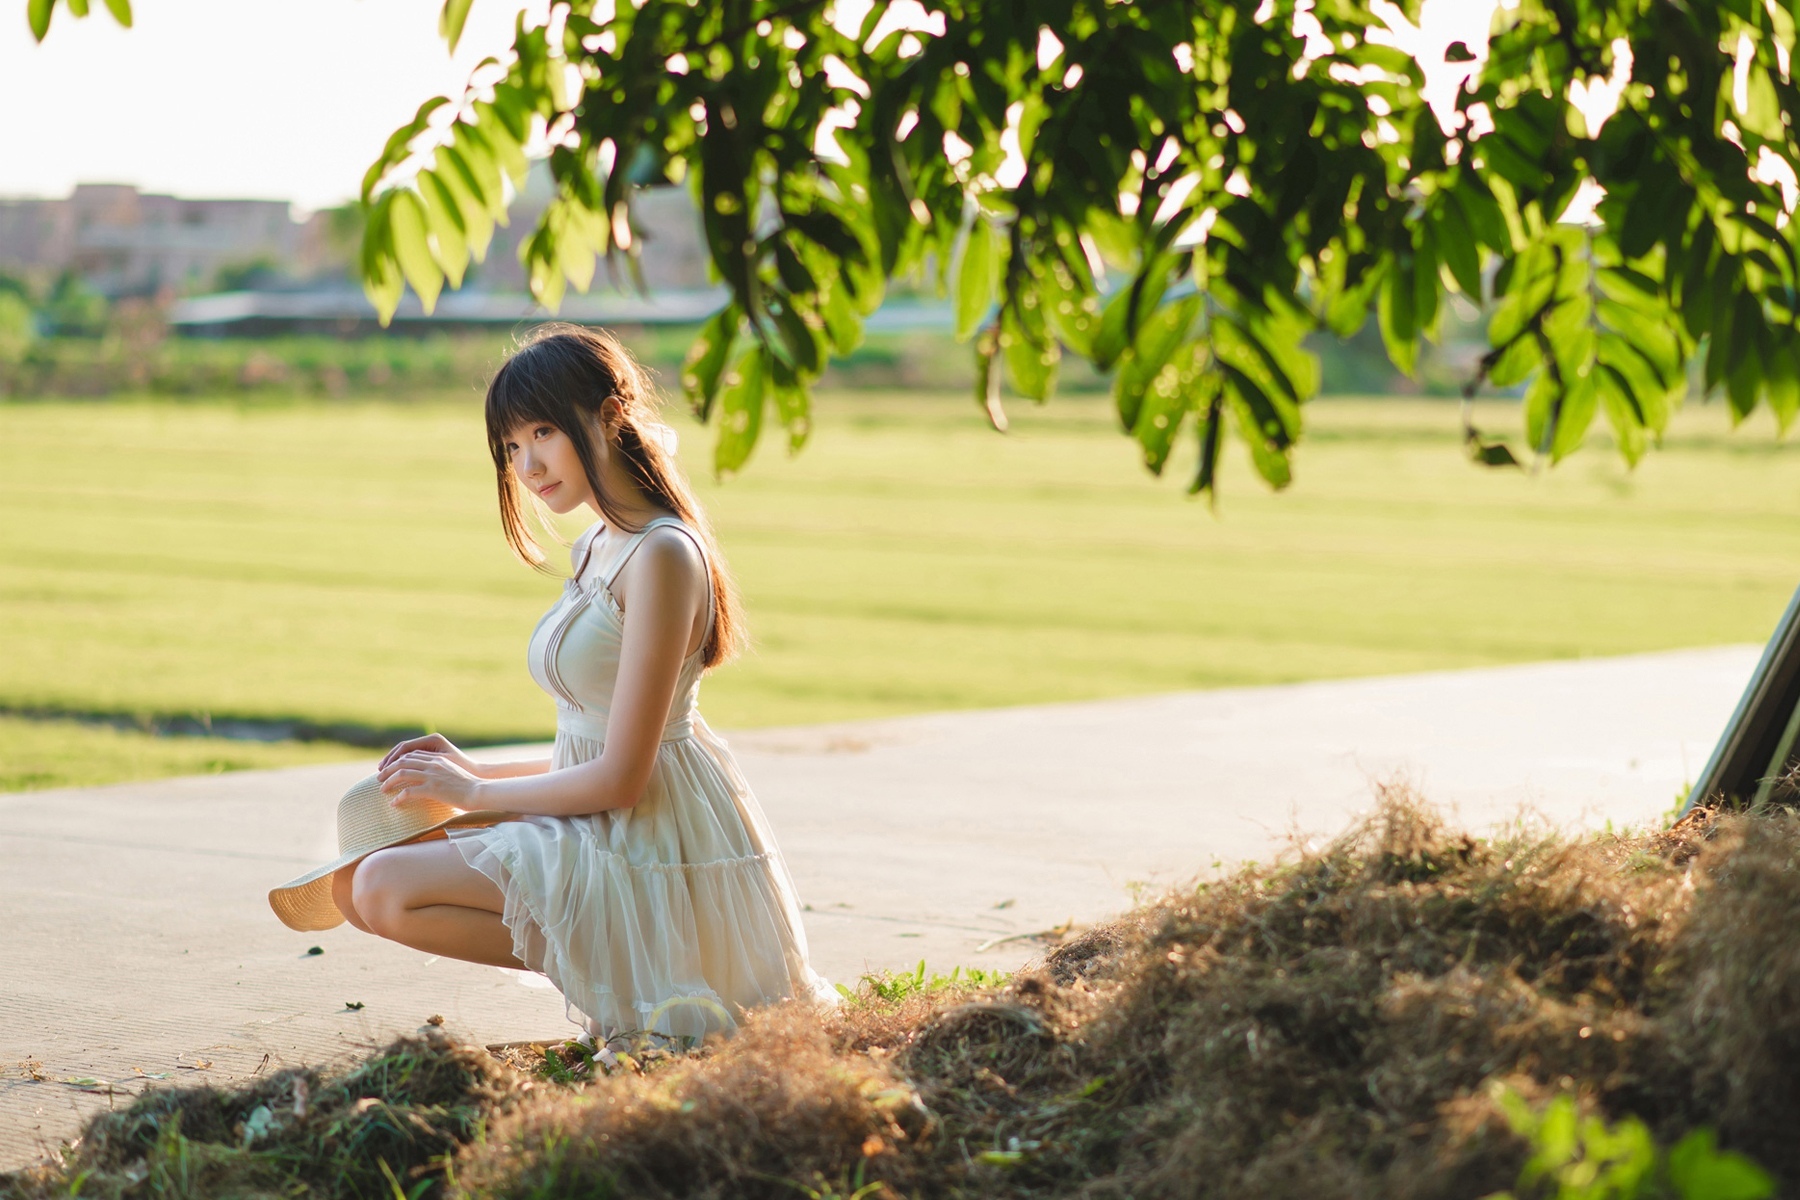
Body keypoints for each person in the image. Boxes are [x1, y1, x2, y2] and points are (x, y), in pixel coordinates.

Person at [331, 323, 834, 1042]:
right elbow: (588, 746)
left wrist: (476, 796)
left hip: (646, 834)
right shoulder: (595, 544)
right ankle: (630, 978)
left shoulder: (662, 555)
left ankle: (643, 975)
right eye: (510, 446)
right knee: (357, 882)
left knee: (382, 886)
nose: (528, 463)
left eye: (542, 432)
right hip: (593, 815)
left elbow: (624, 776)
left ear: (607, 416)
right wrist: (475, 774)